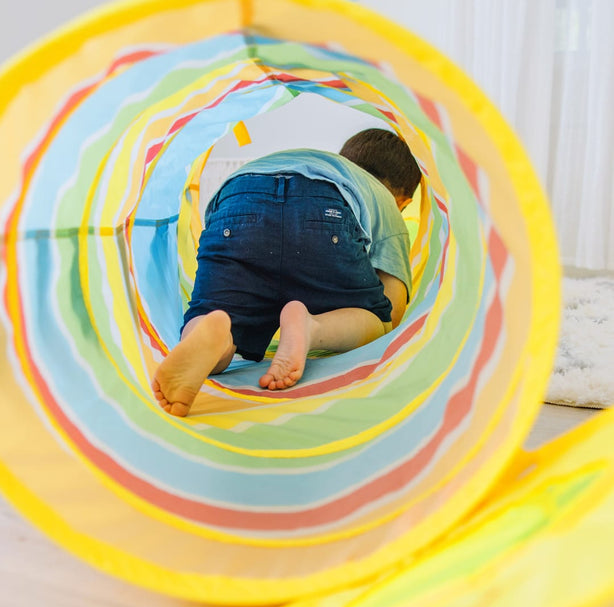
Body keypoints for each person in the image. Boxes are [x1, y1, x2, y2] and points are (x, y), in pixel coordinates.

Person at [152, 128, 421, 417]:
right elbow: (394, 310)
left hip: (237, 199)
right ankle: (309, 326)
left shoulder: (327, 165)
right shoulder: (380, 197)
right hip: (326, 210)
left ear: (346, 158)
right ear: (403, 200)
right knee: (377, 321)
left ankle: (210, 334)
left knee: (208, 312)